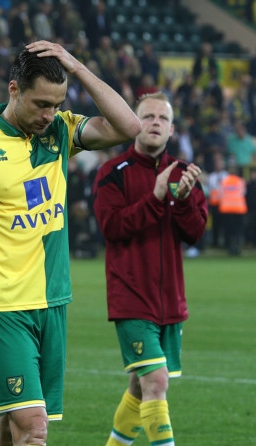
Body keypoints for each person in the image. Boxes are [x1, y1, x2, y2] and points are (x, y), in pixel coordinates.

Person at [0, 41, 141, 446]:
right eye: (41, 103)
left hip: (53, 301)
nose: (50, 115)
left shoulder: (60, 131)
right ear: (13, 90)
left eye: (57, 104)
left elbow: (129, 127)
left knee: (10, 427)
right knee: (33, 427)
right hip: (1, 306)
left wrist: (77, 67)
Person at [92, 92, 208, 446]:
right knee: (156, 381)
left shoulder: (185, 175)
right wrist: (156, 198)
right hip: (131, 298)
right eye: (148, 116)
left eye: (162, 118)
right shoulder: (112, 173)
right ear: (134, 124)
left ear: (172, 130)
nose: (155, 122)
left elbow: (195, 233)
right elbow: (111, 227)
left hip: (170, 301)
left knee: (141, 387)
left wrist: (184, 201)